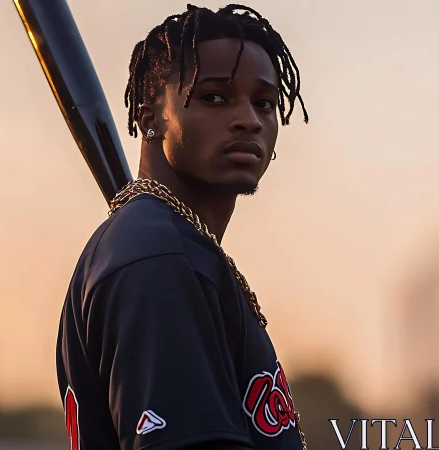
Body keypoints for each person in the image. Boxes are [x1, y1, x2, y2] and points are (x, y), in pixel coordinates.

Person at [56, 4, 309, 449]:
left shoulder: (167, 246)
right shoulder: (157, 259)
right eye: (214, 97)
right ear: (150, 115)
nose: (249, 119)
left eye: (264, 103)